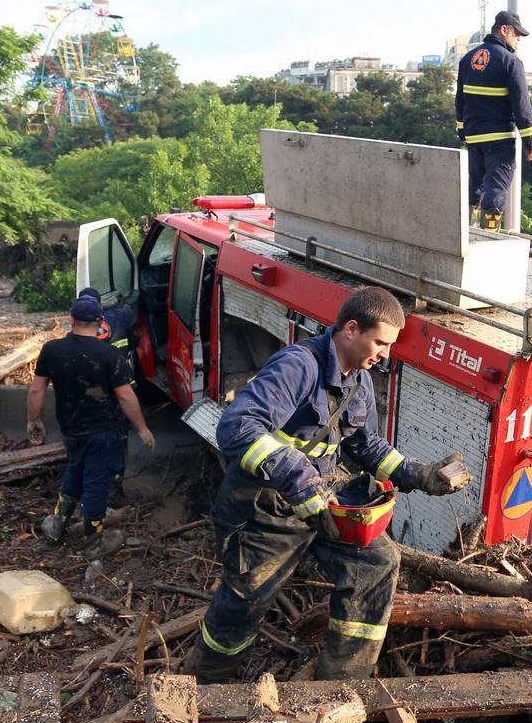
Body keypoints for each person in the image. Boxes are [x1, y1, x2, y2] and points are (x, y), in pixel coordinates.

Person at [183, 287, 471, 683]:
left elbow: (365, 445)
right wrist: (297, 477)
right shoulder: (298, 366)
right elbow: (235, 427)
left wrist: (416, 474)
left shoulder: (359, 381)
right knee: (245, 602)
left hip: (320, 503)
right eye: (381, 342)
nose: (386, 354)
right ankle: (204, 682)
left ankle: (343, 681)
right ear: (351, 329)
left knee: (377, 561)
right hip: (264, 510)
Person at [26, 294, 155, 558]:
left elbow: (37, 390)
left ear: (71, 320)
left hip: (71, 428)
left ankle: (57, 522)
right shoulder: (109, 354)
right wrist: (141, 428)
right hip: (103, 430)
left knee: (75, 467)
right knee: (96, 482)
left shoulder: (52, 350)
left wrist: (33, 420)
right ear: (99, 323)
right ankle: (93, 539)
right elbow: (125, 396)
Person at [456, 10, 532, 232]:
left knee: (474, 185)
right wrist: (531, 141)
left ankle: (467, 233)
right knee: (495, 188)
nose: (518, 38)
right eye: (516, 33)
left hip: (474, 137)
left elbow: (460, 99)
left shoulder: (467, 60)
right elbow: (521, 105)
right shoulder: (510, 61)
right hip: (499, 139)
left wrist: (462, 131)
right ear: (504, 30)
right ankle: (488, 237)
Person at [77, 286, 136, 505]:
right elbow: (133, 316)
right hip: (119, 388)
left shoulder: (73, 333)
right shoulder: (118, 317)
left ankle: (88, 486)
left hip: (91, 395)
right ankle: (114, 487)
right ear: (99, 305)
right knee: (119, 438)